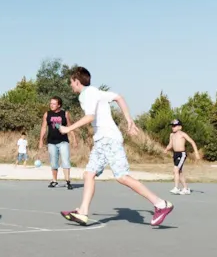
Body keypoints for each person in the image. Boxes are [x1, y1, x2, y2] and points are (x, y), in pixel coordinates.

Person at [58, 67, 174, 227]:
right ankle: (83, 212)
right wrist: (129, 120)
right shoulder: (97, 92)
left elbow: (90, 116)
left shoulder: (87, 94)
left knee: (122, 176)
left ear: (77, 82)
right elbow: (119, 97)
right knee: (89, 174)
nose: (71, 85)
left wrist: (68, 129)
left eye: (71, 82)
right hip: (101, 140)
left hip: (109, 139)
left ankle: (161, 204)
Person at [40, 97, 74, 189]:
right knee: (54, 162)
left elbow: (70, 126)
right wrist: (41, 140)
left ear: (59, 105)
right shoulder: (47, 114)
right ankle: (54, 181)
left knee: (65, 161)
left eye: (54, 104)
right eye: (51, 103)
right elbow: (43, 127)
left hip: (63, 141)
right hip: (51, 142)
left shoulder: (65, 113)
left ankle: (68, 181)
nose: (51, 105)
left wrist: (74, 139)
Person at [165, 119, 199, 195]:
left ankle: (176, 188)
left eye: (174, 126)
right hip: (175, 154)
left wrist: (196, 153)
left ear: (180, 127)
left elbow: (192, 142)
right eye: (172, 126)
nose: (173, 127)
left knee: (175, 170)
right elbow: (170, 144)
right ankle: (186, 188)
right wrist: (166, 149)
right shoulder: (171, 135)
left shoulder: (182, 134)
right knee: (179, 172)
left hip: (181, 154)